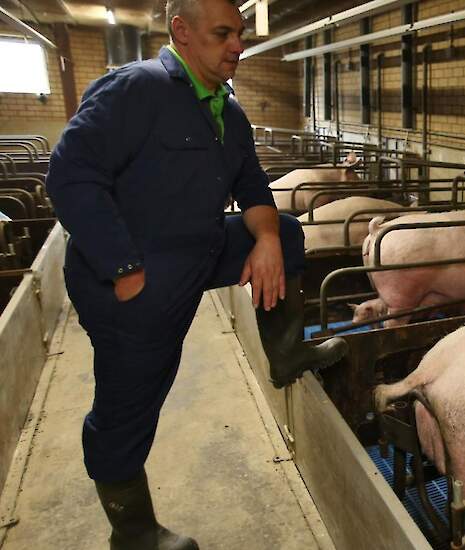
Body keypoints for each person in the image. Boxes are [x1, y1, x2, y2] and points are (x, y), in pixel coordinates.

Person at [45, 0, 347, 547]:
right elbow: (70, 176)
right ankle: (133, 533)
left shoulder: (226, 111)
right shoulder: (134, 90)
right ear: (180, 32)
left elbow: (252, 187)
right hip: (132, 274)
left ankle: (284, 351)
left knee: (288, 228)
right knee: (130, 401)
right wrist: (125, 269)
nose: (237, 44)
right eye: (223, 33)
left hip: (199, 250)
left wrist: (269, 241)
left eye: (239, 33)